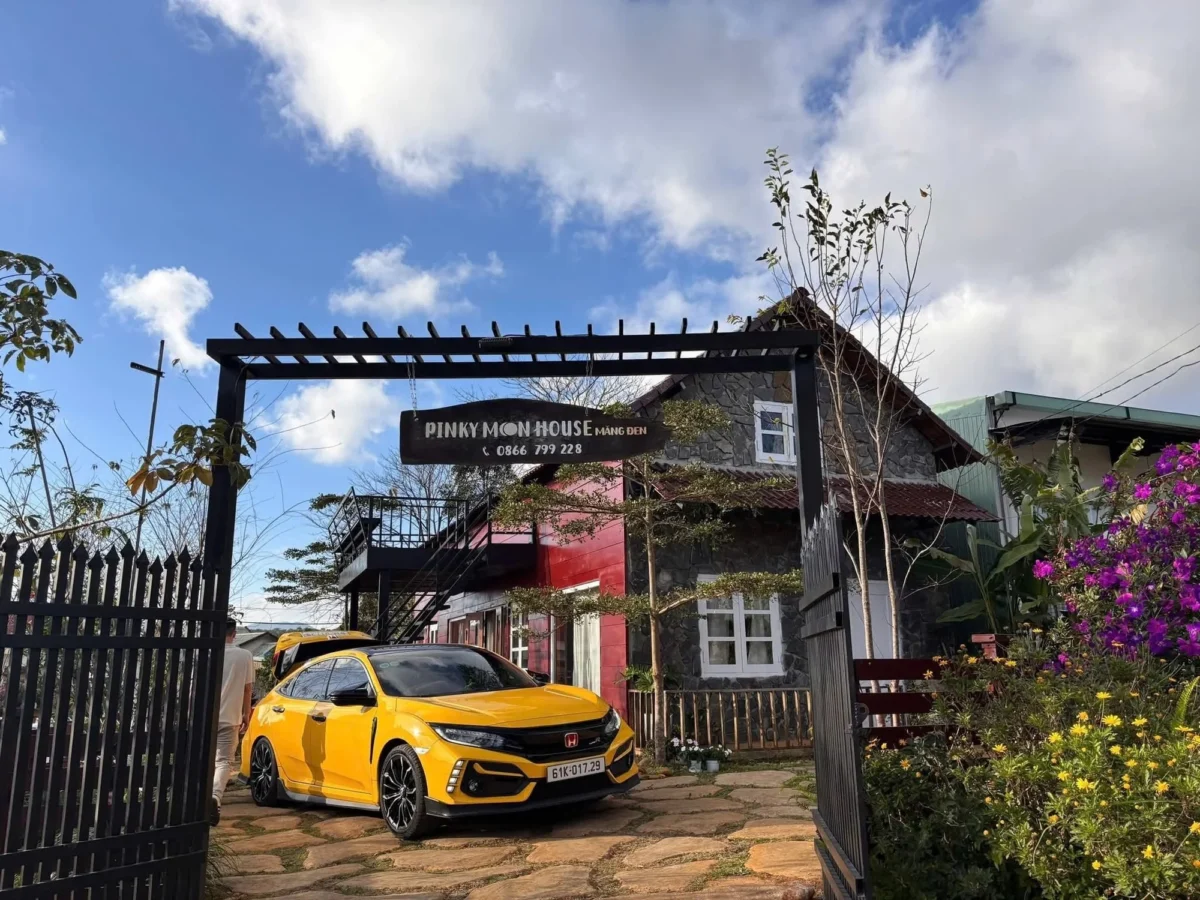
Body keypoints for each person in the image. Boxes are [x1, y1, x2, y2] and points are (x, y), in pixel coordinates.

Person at [211, 617, 255, 825]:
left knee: (204, 760)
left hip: (205, 717)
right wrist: (246, 714)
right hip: (230, 717)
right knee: (224, 761)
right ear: (234, 634)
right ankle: (215, 797)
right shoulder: (244, 655)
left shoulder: (208, 653)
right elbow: (248, 689)